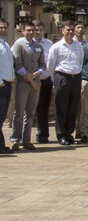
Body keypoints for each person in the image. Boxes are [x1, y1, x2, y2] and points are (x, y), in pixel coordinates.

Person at [47, 21, 84, 145]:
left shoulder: (78, 46)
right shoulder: (56, 47)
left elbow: (80, 61)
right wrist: (55, 80)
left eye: (72, 30)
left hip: (75, 78)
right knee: (61, 107)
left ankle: (69, 134)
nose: (70, 32)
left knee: (72, 107)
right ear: (62, 31)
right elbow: (51, 65)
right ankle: (61, 134)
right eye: (68, 30)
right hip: (62, 77)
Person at [9, 23, 45, 151]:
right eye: (28, 30)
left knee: (30, 112)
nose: (31, 33)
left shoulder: (38, 46)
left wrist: (35, 75)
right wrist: (30, 79)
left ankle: (26, 140)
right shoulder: (19, 45)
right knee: (19, 112)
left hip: (35, 83)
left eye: (33, 30)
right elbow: (17, 64)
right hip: (23, 82)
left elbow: (43, 65)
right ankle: (15, 139)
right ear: (23, 31)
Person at [33, 19, 54, 144]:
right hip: (31, 80)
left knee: (43, 109)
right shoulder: (23, 43)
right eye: (36, 30)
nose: (38, 32)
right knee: (29, 109)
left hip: (45, 80)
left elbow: (51, 63)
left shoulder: (49, 44)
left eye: (40, 30)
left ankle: (43, 134)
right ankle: (22, 136)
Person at [0, 19, 15, 154]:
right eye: (1, 28)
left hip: (7, 84)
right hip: (1, 84)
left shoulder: (4, 45)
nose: (3, 30)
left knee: (2, 115)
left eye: (5, 27)